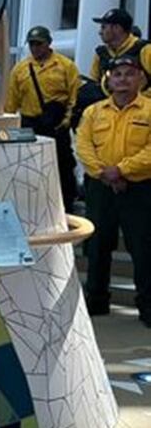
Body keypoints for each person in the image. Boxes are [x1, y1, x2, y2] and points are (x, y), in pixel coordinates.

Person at [75, 56, 151, 326]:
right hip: (101, 188)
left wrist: (121, 170)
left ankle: (147, 307)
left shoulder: (149, 110)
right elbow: (83, 146)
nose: (123, 79)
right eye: (117, 74)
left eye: (129, 74)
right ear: (108, 79)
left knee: (143, 248)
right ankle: (96, 301)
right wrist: (103, 174)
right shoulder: (93, 112)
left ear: (140, 78)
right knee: (97, 246)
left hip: (139, 189)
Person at [4, 25, 80, 213]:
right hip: (30, 124)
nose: (35, 48)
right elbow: (11, 102)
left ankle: (66, 205)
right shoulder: (20, 69)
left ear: (48, 44)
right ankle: (33, 205)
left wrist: (67, 121)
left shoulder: (65, 66)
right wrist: (8, 129)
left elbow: (74, 96)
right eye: (32, 44)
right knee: (29, 165)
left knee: (63, 165)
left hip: (56, 123)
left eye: (39, 44)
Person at [88, 8, 151, 85]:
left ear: (117, 28)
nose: (100, 32)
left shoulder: (145, 50)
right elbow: (92, 83)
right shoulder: (101, 53)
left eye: (104, 27)